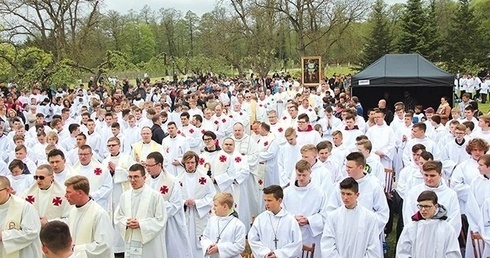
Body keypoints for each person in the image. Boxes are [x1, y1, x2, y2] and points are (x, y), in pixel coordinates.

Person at [115, 163, 168, 258]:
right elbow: (118, 216)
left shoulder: (155, 196)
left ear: (144, 178)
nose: (132, 180)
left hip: (149, 244)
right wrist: (126, 223)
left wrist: (141, 224)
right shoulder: (125, 196)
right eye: (130, 177)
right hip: (131, 238)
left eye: (136, 177)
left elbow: (161, 219)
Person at [145, 152, 192, 258]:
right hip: (150, 222)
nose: (147, 168)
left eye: (150, 166)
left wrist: (156, 208)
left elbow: (176, 205)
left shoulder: (172, 181)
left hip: (169, 223)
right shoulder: (145, 180)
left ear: (159, 165)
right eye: (146, 165)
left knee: (171, 251)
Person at [321, 177, 381, 258]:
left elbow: (373, 246)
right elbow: (327, 244)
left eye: (349, 194)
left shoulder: (369, 218)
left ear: (357, 195)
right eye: (342, 193)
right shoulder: (333, 217)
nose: (345, 198)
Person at [396, 190, 461, 258]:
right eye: (420, 206)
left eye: (427, 206)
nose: (423, 210)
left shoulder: (447, 229)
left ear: (436, 206)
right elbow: (403, 252)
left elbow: (452, 253)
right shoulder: (411, 227)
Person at [283, 160, 326, 257]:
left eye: (304, 175)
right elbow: (282, 212)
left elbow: (324, 214)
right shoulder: (287, 192)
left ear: (310, 173)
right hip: (291, 232)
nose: (301, 178)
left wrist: (309, 220)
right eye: (299, 175)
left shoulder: (319, 193)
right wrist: (293, 218)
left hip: (311, 234)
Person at [177, 151, 216, 258]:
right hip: (185, 214)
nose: (190, 165)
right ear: (184, 163)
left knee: (199, 242)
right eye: (188, 162)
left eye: (192, 162)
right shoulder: (177, 180)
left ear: (197, 163)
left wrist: (197, 203)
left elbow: (212, 196)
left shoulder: (205, 179)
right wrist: (184, 202)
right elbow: (174, 199)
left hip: (199, 215)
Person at [64, 175, 113, 258]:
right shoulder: (73, 211)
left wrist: (76, 249)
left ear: (80, 193)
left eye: (68, 192)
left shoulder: (99, 213)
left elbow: (104, 246)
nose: (65, 195)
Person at [248, 185, 302, 258]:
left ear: (279, 201)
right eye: (265, 200)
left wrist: (277, 254)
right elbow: (253, 240)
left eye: (269, 200)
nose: (266, 203)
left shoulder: (290, 221)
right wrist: (266, 253)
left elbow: (297, 244)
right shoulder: (260, 219)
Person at [0, 175, 42, 258]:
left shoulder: (24, 207)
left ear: (8, 190)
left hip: (22, 254)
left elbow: (32, 232)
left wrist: (3, 236)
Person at [200, 192, 246, 258]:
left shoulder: (238, 225)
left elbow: (240, 246)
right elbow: (205, 237)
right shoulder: (212, 220)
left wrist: (219, 248)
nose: (213, 208)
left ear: (225, 206)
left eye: (215, 205)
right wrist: (208, 246)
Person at [72, 145, 112, 211]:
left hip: (98, 203)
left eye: (85, 154)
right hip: (80, 204)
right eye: (80, 154)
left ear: (91, 154)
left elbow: (108, 187)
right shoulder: (73, 171)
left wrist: (92, 196)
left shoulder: (102, 169)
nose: (83, 157)